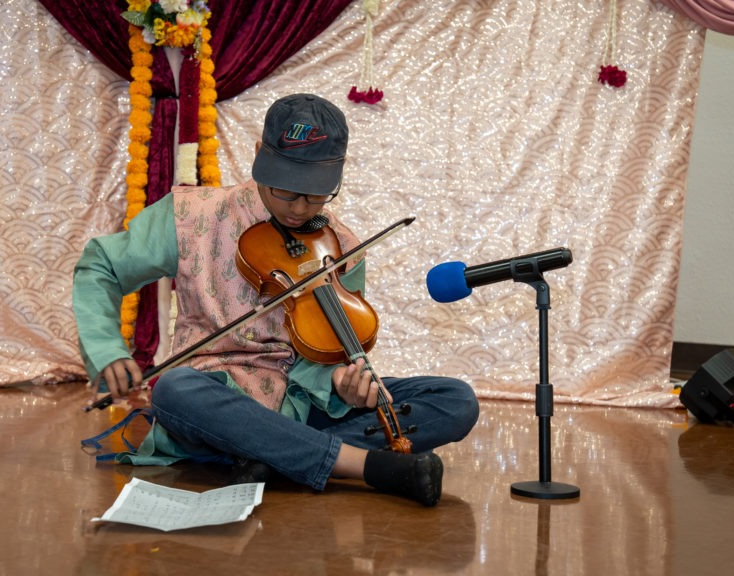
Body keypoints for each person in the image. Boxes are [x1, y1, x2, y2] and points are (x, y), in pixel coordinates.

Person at [73, 94, 479, 506]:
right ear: (258, 156)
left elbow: (325, 358)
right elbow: (100, 266)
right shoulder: (191, 215)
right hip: (213, 401)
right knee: (174, 390)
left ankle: (268, 455)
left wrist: (340, 382)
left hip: (297, 404)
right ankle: (361, 464)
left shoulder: (341, 248)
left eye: (316, 195)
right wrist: (107, 349)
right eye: (286, 190)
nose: (299, 209)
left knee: (454, 401)